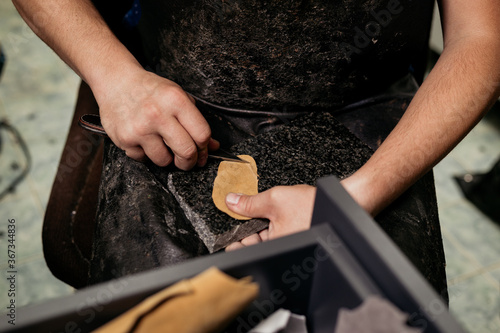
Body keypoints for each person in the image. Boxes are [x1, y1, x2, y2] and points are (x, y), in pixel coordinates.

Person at [13, 0, 500, 293]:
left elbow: (481, 39)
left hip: (370, 118)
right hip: (173, 100)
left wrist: (354, 198)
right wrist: (112, 74)